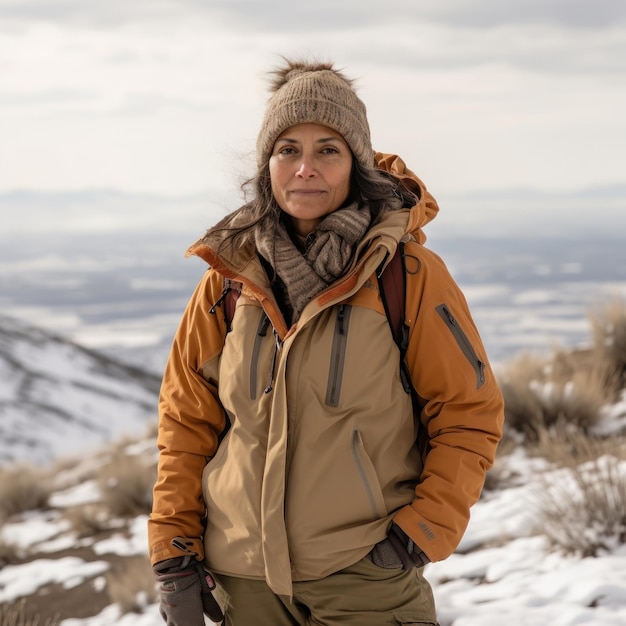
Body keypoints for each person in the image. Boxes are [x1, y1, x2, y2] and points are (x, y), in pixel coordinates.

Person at [148, 58, 504, 626]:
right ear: (267, 164)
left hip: (365, 579)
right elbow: (186, 425)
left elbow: (467, 411)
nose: (305, 168)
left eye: (327, 150)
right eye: (288, 148)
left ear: (355, 165)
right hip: (242, 583)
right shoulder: (227, 280)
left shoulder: (405, 273)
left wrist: (418, 537)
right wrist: (173, 554)